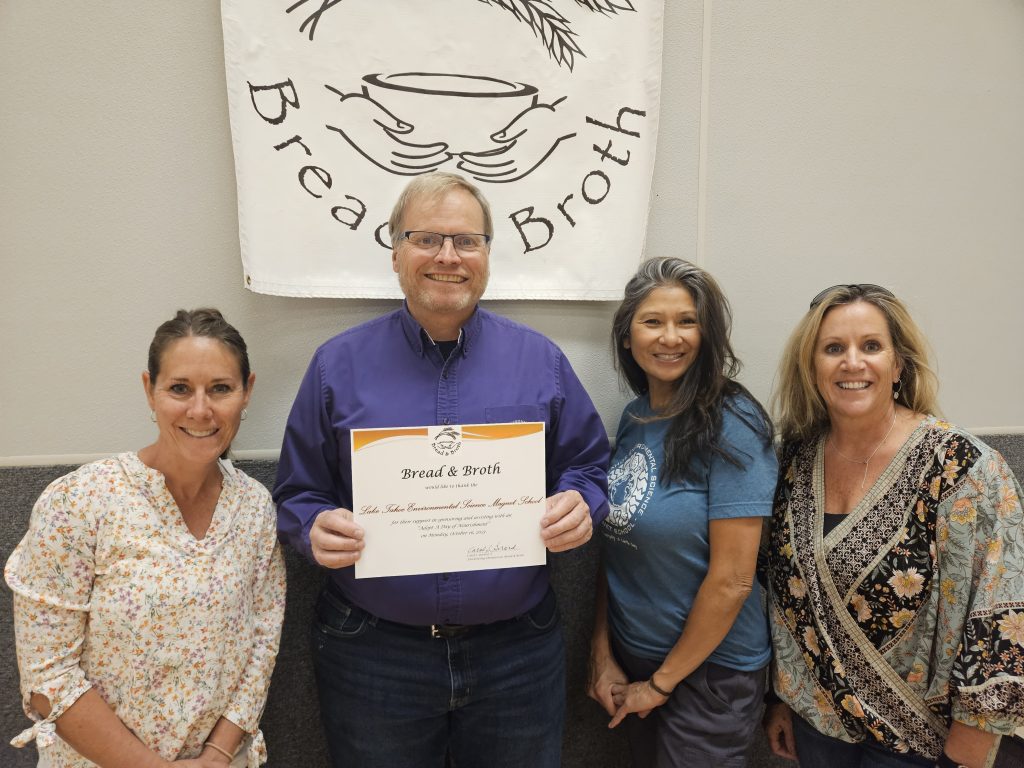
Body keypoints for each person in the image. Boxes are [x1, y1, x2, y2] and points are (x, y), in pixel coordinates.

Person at [273, 171, 610, 768]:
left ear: (487, 254)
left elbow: (587, 466)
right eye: (427, 238)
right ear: (396, 252)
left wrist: (580, 505)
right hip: (375, 655)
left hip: (518, 654)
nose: (448, 256)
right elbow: (299, 491)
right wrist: (312, 529)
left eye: (467, 241)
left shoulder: (542, 362)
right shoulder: (335, 366)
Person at [5, 309, 286, 768]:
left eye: (220, 388)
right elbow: (47, 676)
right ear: (148, 390)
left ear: (246, 391)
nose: (200, 409)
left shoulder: (254, 507)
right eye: (179, 389)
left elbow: (263, 640)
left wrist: (216, 755)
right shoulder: (80, 502)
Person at [763, 284, 1024, 768]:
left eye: (871, 346)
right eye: (833, 348)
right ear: (811, 365)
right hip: (818, 727)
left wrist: (968, 751)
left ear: (899, 364)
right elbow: (782, 596)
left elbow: (1001, 620)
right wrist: (780, 696)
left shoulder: (963, 470)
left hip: (924, 745)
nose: (852, 363)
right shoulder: (795, 461)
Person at [588, 257, 777, 767]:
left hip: (710, 676)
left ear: (707, 335)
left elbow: (734, 580)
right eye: (652, 321)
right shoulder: (633, 417)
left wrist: (662, 685)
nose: (670, 337)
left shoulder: (733, 421)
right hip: (637, 664)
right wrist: (602, 655)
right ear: (627, 337)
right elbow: (620, 549)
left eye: (687, 321)